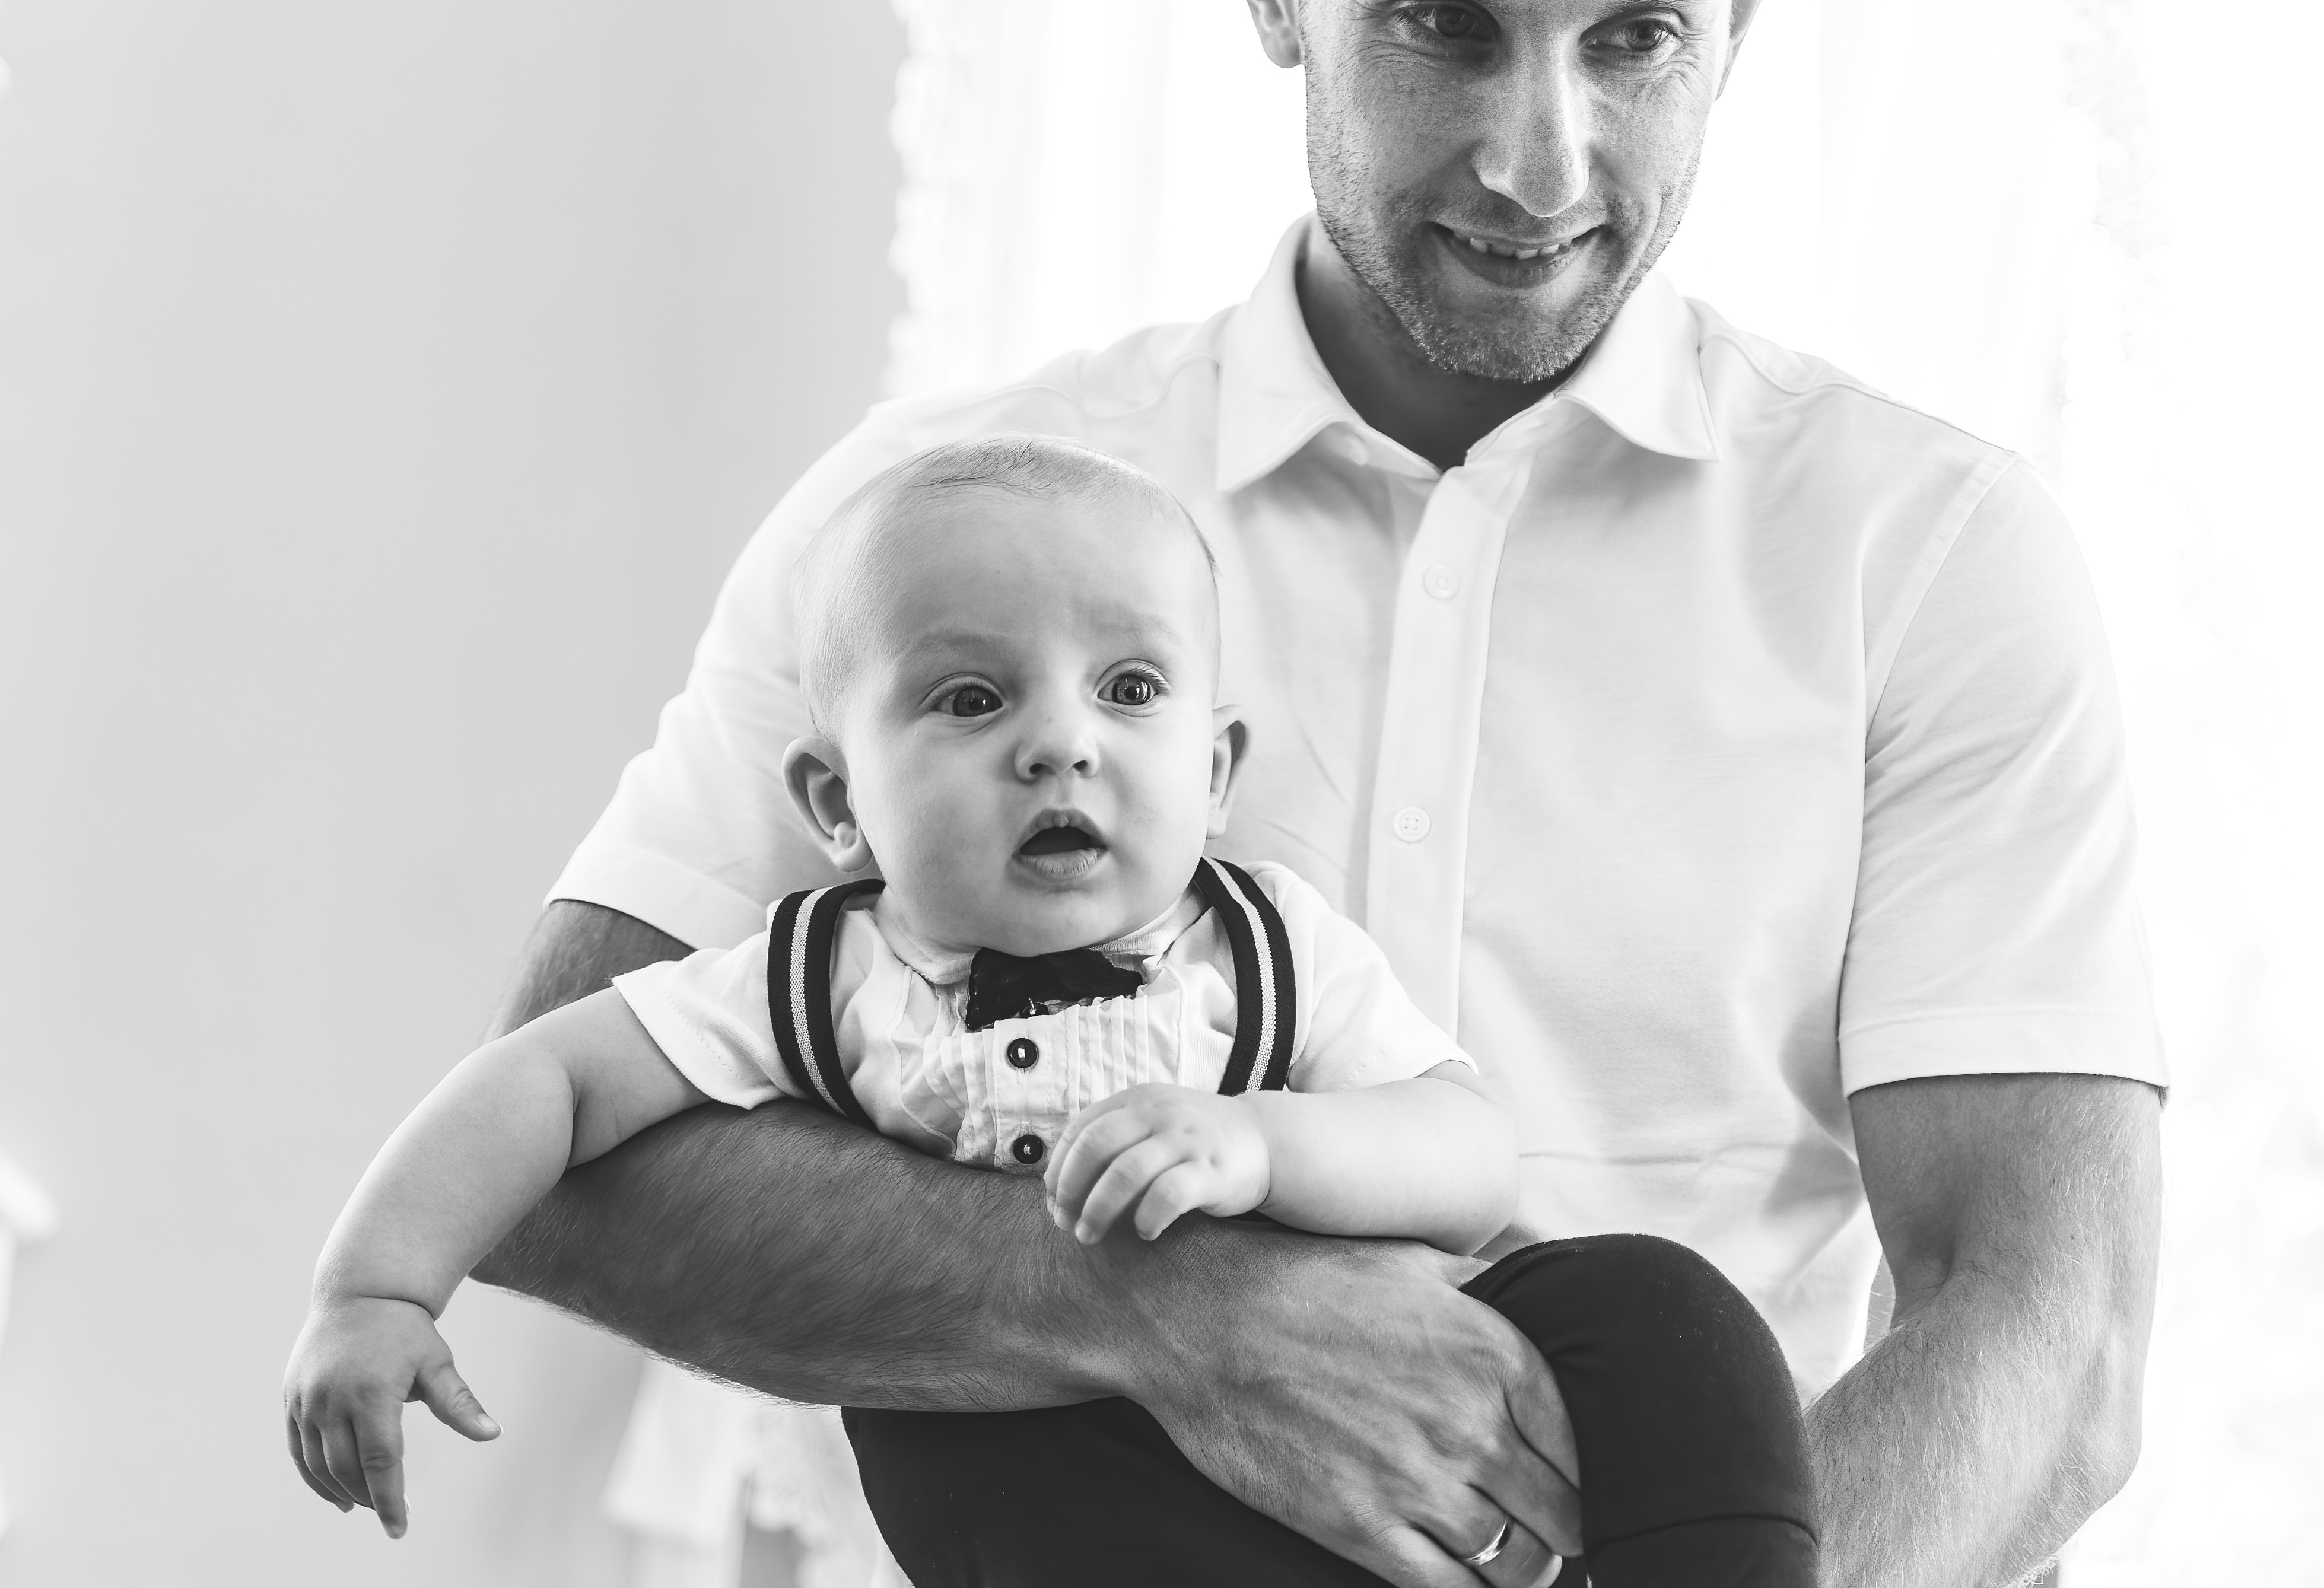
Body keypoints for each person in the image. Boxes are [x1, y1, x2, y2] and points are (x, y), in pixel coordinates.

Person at [304, 2, 2166, 1584]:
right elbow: (562, 1155)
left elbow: (2050, 1342)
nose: (1542, 163)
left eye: (1636, 39)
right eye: (1445, 23)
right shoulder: (924, 541)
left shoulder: (1933, 557)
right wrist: (1162, 1317)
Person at [284, 437, 1822, 1587]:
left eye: (1130, 691)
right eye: (970, 699)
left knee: (1664, 1312)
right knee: (981, 1478)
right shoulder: (816, 978)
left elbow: (1468, 1151)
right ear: (838, 801)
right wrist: (377, 1292)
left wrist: (1265, 1147)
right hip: (1060, 1464)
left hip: (1404, 1369)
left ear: (1214, 774)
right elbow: (544, 1081)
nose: (1060, 745)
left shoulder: (1267, 949)